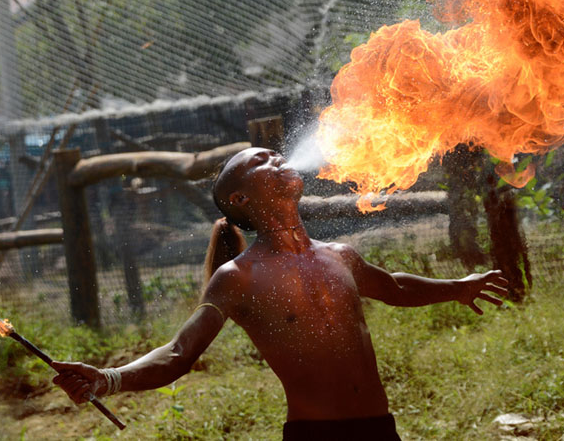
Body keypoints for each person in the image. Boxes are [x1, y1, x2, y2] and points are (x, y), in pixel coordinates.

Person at [52, 147, 510, 440]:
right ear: (240, 201)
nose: (277, 159)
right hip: (315, 436)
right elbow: (178, 353)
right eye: (259, 161)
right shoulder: (238, 277)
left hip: (378, 428)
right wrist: (106, 379)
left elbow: (391, 286)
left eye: (275, 154)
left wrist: (458, 288)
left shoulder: (341, 254)